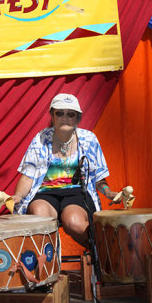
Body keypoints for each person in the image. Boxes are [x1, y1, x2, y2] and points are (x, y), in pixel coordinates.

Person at [10, 93, 117, 248]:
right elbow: (28, 176)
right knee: (39, 214)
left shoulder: (89, 139)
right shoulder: (40, 139)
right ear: (52, 116)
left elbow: (98, 177)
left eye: (70, 114)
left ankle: (103, 254)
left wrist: (108, 192)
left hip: (77, 192)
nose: (65, 118)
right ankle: (49, 264)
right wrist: (18, 196)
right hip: (46, 192)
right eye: (60, 113)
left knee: (73, 221)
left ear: (77, 118)